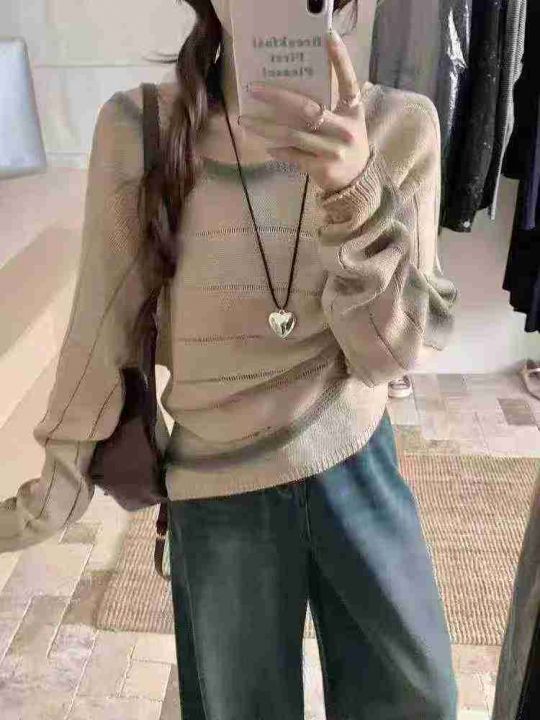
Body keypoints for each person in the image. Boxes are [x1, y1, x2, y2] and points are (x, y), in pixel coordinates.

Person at [0, 1, 460, 717]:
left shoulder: (400, 125)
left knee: (417, 699)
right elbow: (100, 329)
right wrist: (51, 496)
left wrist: (354, 193)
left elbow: (384, 357)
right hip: (218, 494)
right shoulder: (140, 130)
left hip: (355, 462)